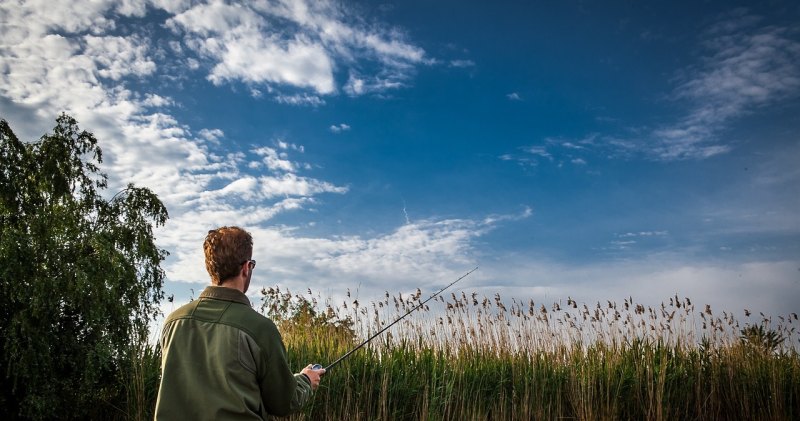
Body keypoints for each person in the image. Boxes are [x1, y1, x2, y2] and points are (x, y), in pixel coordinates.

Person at [154, 226, 324, 420]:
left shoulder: (174, 321)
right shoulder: (260, 328)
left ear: (210, 267)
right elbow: (283, 403)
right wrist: (306, 381)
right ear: (246, 267)